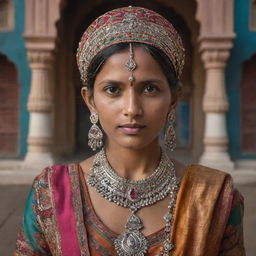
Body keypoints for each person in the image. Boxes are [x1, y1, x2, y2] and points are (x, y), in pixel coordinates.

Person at [14, 6, 245, 256]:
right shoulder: (51, 193)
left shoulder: (215, 197)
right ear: (90, 100)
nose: (132, 109)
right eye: (113, 89)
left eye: (150, 89)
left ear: (174, 97)